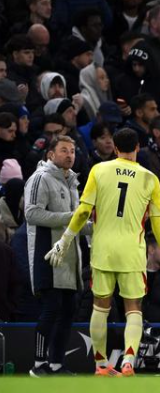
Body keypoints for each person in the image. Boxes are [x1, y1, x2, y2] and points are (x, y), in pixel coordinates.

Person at [45, 128, 160, 377]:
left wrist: (64, 241)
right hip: (132, 251)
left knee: (100, 306)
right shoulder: (150, 178)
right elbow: (158, 221)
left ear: (115, 148)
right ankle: (128, 361)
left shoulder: (99, 170)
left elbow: (83, 211)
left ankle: (101, 364)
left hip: (103, 250)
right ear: (137, 147)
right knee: (134, 308)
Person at [25, 136, 83, 376]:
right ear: (50, 154)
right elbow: (31, 214)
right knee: (51, 308)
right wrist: (72, 217)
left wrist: (96, 225)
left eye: (73, 151)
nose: (70, 155)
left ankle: (57, 364)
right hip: (46, 252)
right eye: (64, 150)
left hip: (70, 258)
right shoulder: (40, 178)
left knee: (68, 310)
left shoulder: (72, 183)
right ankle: (38, 364)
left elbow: (76, 223)